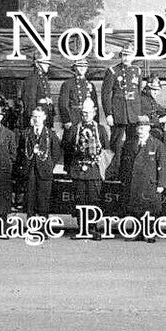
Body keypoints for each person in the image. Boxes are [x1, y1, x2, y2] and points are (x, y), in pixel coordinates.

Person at [62, 98, 108, 240]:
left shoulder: (100, 129)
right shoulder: (74, 129)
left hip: (94, 171)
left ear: (94, 112)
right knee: (80, 200)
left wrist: (101, 164)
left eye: (88, 113)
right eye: (83, 113)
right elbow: (67, 149)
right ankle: (81, 228)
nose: (86, 115)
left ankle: (93, 228)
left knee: (94, 199)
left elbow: (107, 149)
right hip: (78, 170)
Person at [117, 115, 166, 241]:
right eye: (139, 128)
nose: (141, 130)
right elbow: (124, 163)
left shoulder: (157, 145)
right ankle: (139, 233)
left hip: (149, 183)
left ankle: (149, 233)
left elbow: (162, 165)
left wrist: (161, 184)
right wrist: (123, 179)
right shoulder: (129, 144)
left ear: (149, 128)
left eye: (144, 128)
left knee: (149, 210)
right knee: (136, 209)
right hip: (134, 182)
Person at [101, 47, 143, 170]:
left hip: (133, 114)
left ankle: (129, 169)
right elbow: (105, 94)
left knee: (133, 142)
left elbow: (138, 93)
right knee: (116, 143)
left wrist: (137, 113)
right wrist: (108, 114)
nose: (126, 58)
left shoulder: (137, 71)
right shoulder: (113, 71)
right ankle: (113, 170)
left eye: (129, 55)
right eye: (124, 55)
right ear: (121, 56)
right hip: (118, 113)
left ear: (133, 57)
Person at [19, 104, 61, 219]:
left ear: (44, 117)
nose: (36, 119)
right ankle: (32, 228)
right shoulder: (26, 134)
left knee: (43, 201)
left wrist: (49, 165)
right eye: (34, 116)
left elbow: (56, 152)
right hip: (30, 170)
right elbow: (20, 151)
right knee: (30, 201)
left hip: (45, 171)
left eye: (39, 117)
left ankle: (43, 229)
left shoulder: (50, 135)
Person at [57, 58, 99, 128]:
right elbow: (63, 104)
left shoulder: (90, 84)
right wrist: (66, 120)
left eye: (84, 66)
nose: (82, 68)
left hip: (88, 117)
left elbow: (95, 106)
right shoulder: (67, 84)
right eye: (79, 66)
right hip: (73, 118)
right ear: (75, 68)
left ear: (87, 68)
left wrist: (96, 121)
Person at [19, 57, 55, 127]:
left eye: (48, 64)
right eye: (45, 63)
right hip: (37, 115)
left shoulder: (44, 78)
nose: (48, 65)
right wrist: (32, 116)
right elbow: (29, 99)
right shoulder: (32, 78)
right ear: (37, 64)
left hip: (45, 113)